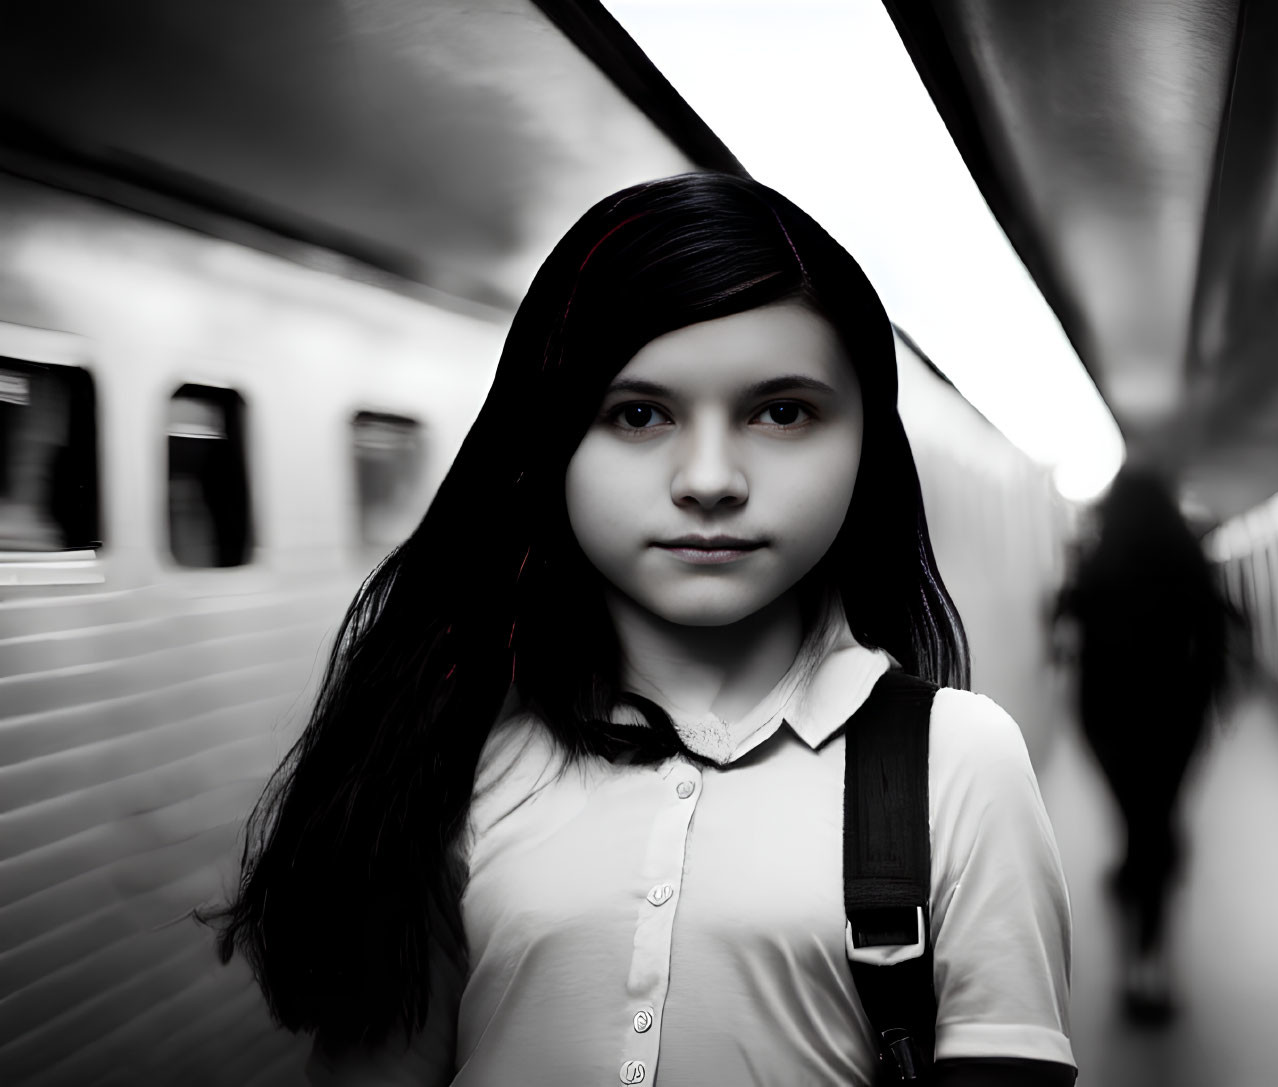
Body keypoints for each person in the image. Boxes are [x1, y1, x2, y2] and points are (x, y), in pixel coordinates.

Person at [209, 174, 1076, 1086]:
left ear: (869, 446)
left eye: (783, 412)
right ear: (551, 443)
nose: (709, 479)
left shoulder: (959, 762)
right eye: (638, 414)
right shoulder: (452, 746)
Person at [1055, 467, 1230, 1025]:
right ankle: (1148, 963)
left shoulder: (1097, 561)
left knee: (1138, 819)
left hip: (1106, 717)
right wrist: (1211, 699)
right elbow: (1215, 630)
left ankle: (1139, 942)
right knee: (1157, 819)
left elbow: (1062, 623)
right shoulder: (1185, 556)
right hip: (1174, 715)